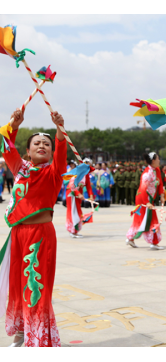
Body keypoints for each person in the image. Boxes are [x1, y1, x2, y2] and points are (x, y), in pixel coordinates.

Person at [0, 108, 67, 347]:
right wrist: (14, 125)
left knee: (35, 287)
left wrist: (60, 130)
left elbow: (60, 154)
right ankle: (21, 335)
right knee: (17, 287)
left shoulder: (54, 173)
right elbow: (5, 146)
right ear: (27, 151)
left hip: (40, 237)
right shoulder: (21, 169)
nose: (42, 146)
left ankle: (38, 339)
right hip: (18, 235)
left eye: (46, 144)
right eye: (36, 143)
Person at [126, 153, 165, 250]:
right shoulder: (147, 174)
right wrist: (146, 202)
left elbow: (160, 184)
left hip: (149, 199)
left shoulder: (157, 170)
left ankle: (130, 238)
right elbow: (143, 189)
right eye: (158, 159)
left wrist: (162, 195)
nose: (159, 161)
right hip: (143, 198)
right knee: (152, 219)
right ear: (153, 161)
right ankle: (154, 242)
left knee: (140, 220)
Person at [66, 160, 95, 238]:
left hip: (79, 195)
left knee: (78, 211)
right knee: (73, 211)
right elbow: (71, 185)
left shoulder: (86, 175)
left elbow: (88, 186)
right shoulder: (76, 173)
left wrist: (91, 195)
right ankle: (72, 231)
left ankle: (75, 230)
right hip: (71, 194)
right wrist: (78, 194)